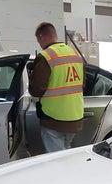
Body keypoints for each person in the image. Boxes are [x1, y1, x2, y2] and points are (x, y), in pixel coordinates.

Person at [29, 22, 84, 152]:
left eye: (38, 41)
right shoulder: (75, 55)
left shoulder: (46, 56)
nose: (40, 45)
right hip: (75, 117)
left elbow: (36, 89)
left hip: (53, 119)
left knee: (56, 160)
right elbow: (82, 84)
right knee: (66, 154)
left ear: (42, 37)